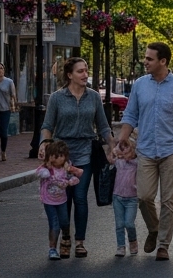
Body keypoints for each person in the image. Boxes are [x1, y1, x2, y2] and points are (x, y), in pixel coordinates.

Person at [115, 42, 173, 262]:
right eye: (145, 58)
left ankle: (163, 245)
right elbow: (130, 116)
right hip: (146, 149)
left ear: (163, 61)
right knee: (143, 196)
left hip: (172, 149)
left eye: (149, 59)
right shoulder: (140, 85)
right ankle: (154, 229)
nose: (145, 62)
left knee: (168, 200)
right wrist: (121, 141)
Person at [41, 57, 111, 259]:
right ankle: (65, 237)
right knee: (64, 199)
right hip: (61, 155)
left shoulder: (94, 97)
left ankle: (80, 242)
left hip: (85, 151)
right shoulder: (57, 98)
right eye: (80, 71)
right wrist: (44, 144)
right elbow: (47, 126)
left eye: (86, 70)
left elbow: (103, 126)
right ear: (70, 74)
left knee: (80, 197)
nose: (85, 74)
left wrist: (113, 146)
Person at [35, 140, 83, 261]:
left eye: (61, 156)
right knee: (54, 224)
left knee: (64, 222)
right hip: (49, 200)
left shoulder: (65, 168)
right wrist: (44, 172)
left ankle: (65, 238)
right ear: (49, 156)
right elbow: (39, 172)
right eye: (55, 156)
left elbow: (78, 174)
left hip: (61, 200)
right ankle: (52, 248)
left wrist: (72, 180)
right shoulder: (47, 168)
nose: (58, 159)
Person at [105, 136, 140, 257]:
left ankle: (132, 241)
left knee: (129, 223)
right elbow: (110, 158)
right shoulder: (118, 162)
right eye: (122, 148)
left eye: (127, 148)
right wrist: (113, 150)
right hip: (117, 197)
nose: (124, 151)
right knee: (119, 224)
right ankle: (120, 246)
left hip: (132, 198)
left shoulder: (136, 163)